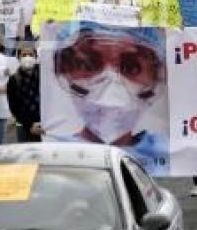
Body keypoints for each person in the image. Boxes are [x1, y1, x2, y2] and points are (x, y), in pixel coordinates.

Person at [52, 23, 168, 171]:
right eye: (88, 65)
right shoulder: (54, 156)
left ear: (155, 75)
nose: (110, 90)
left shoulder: (171, 154)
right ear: (65, 70)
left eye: (131, 67)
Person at [7, 44, 42, 143]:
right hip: (24, 127)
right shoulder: (13, 80)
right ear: (18, 58)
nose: (27, 57)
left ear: (36, 57)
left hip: (45, 126)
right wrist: (30, 125)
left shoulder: (44, 75)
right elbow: (14, 107)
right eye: (24, 55)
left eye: (30, 54)